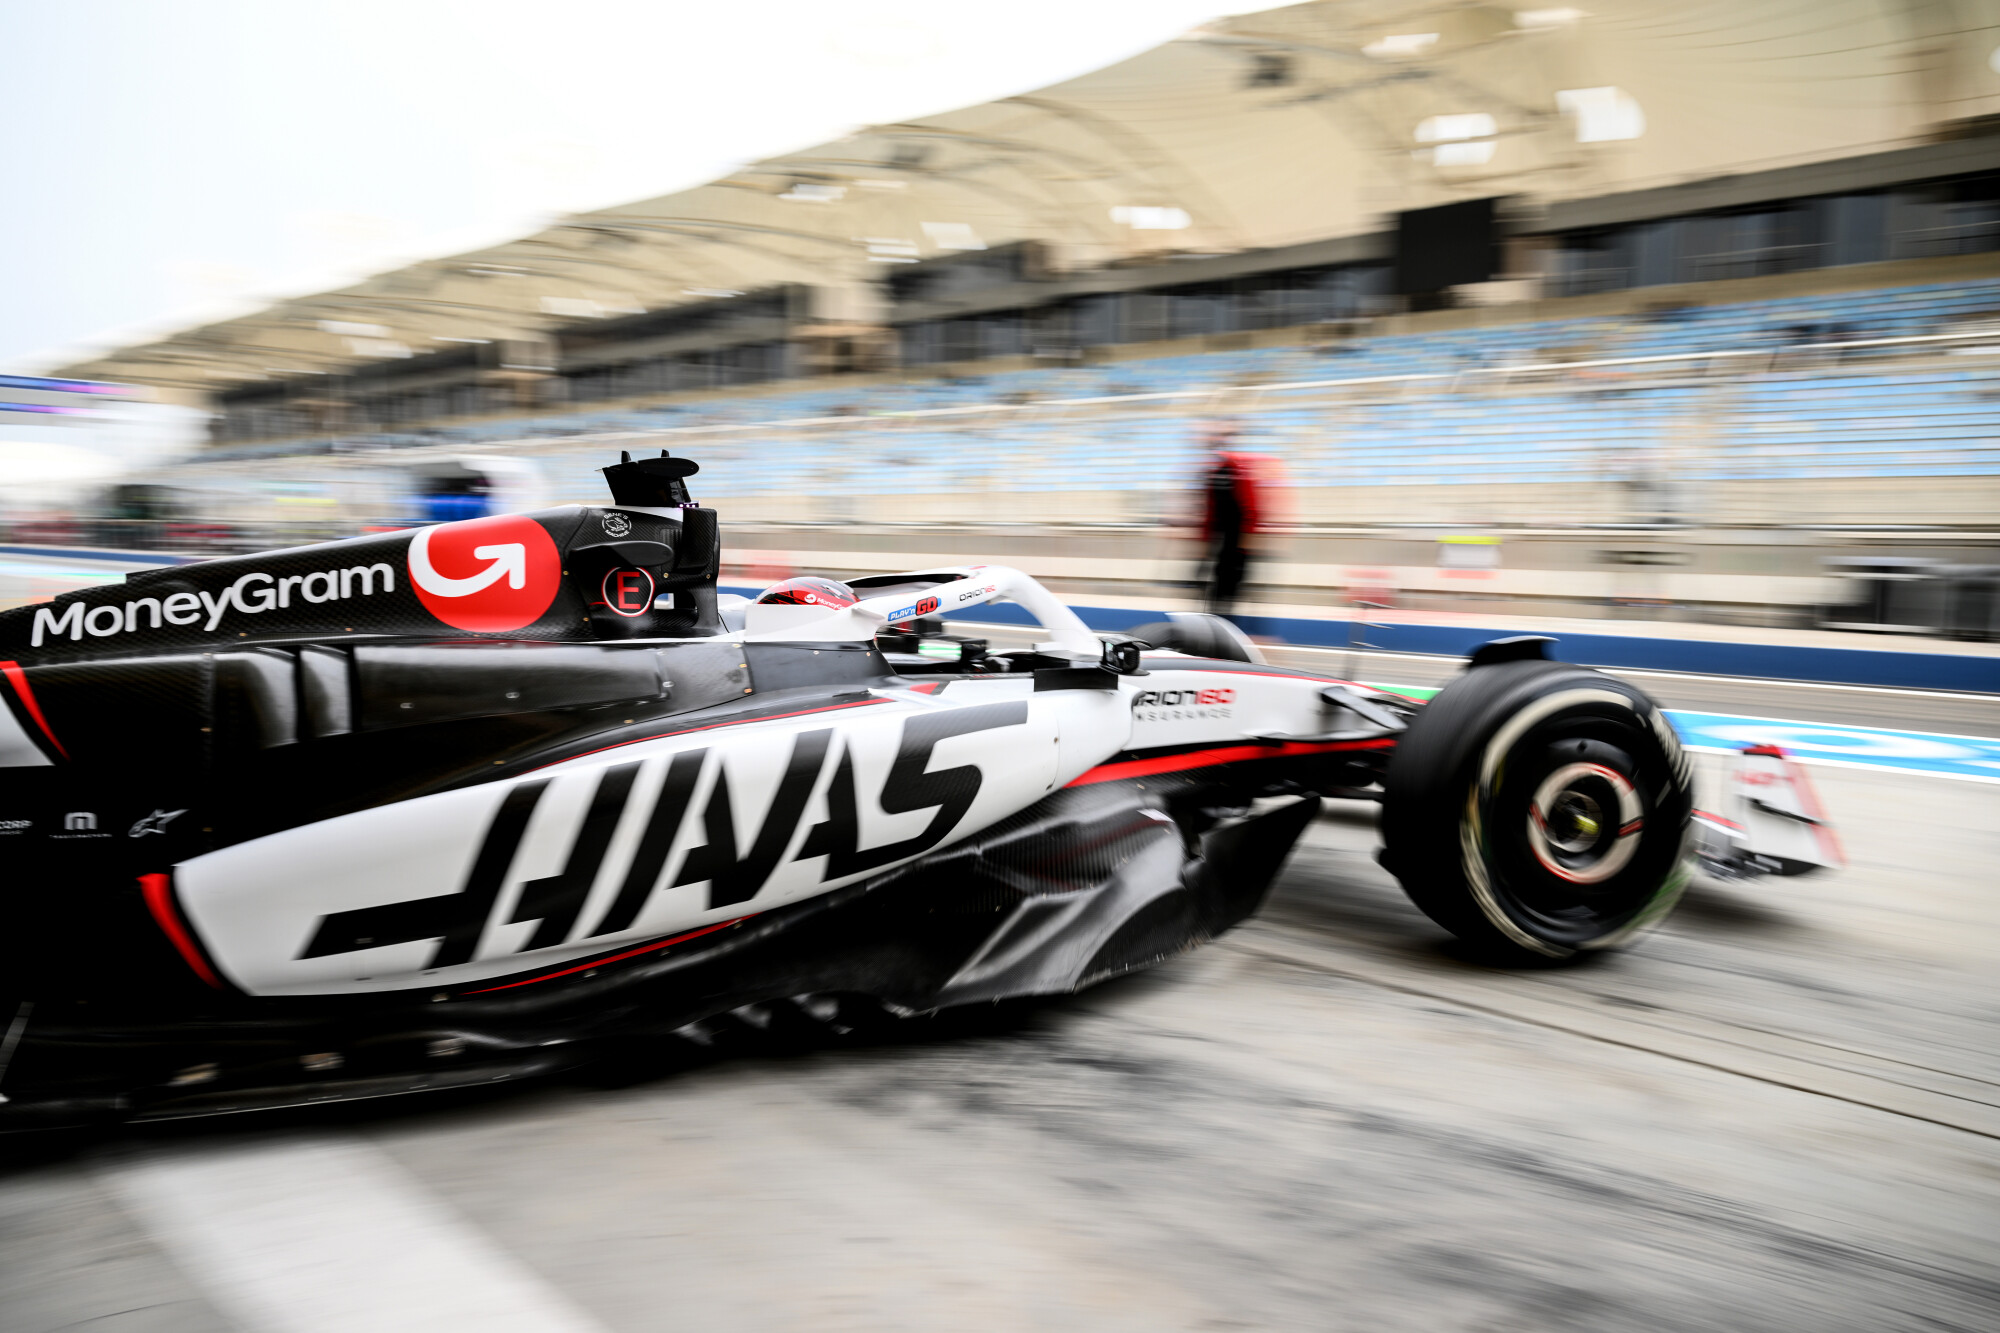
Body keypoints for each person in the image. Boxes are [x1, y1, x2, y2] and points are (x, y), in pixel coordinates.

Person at [1194, 420, 1264, 620]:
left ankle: (1224, 631)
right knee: (1214, 593)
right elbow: (1209, 514)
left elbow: (1250, 511)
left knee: (1227, 594)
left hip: (1233, 547)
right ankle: (1213, 630)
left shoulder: (1237, 471)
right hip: (1220, 545)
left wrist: (1242, 549)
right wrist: (1205, 549)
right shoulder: (1212, 474)